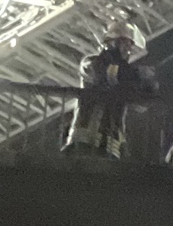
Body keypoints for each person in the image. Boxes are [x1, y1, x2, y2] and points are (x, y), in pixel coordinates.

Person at [65, 16, 158, 157]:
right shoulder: (90, 63)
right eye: (125, 44)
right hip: (85, 144)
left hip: (112, 148)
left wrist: (148, 86)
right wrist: (137, 74)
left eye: (130, 46)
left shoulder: (126, 75)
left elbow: (141, 104)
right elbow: (111, 74)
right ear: (110, 43)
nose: (128, 50)